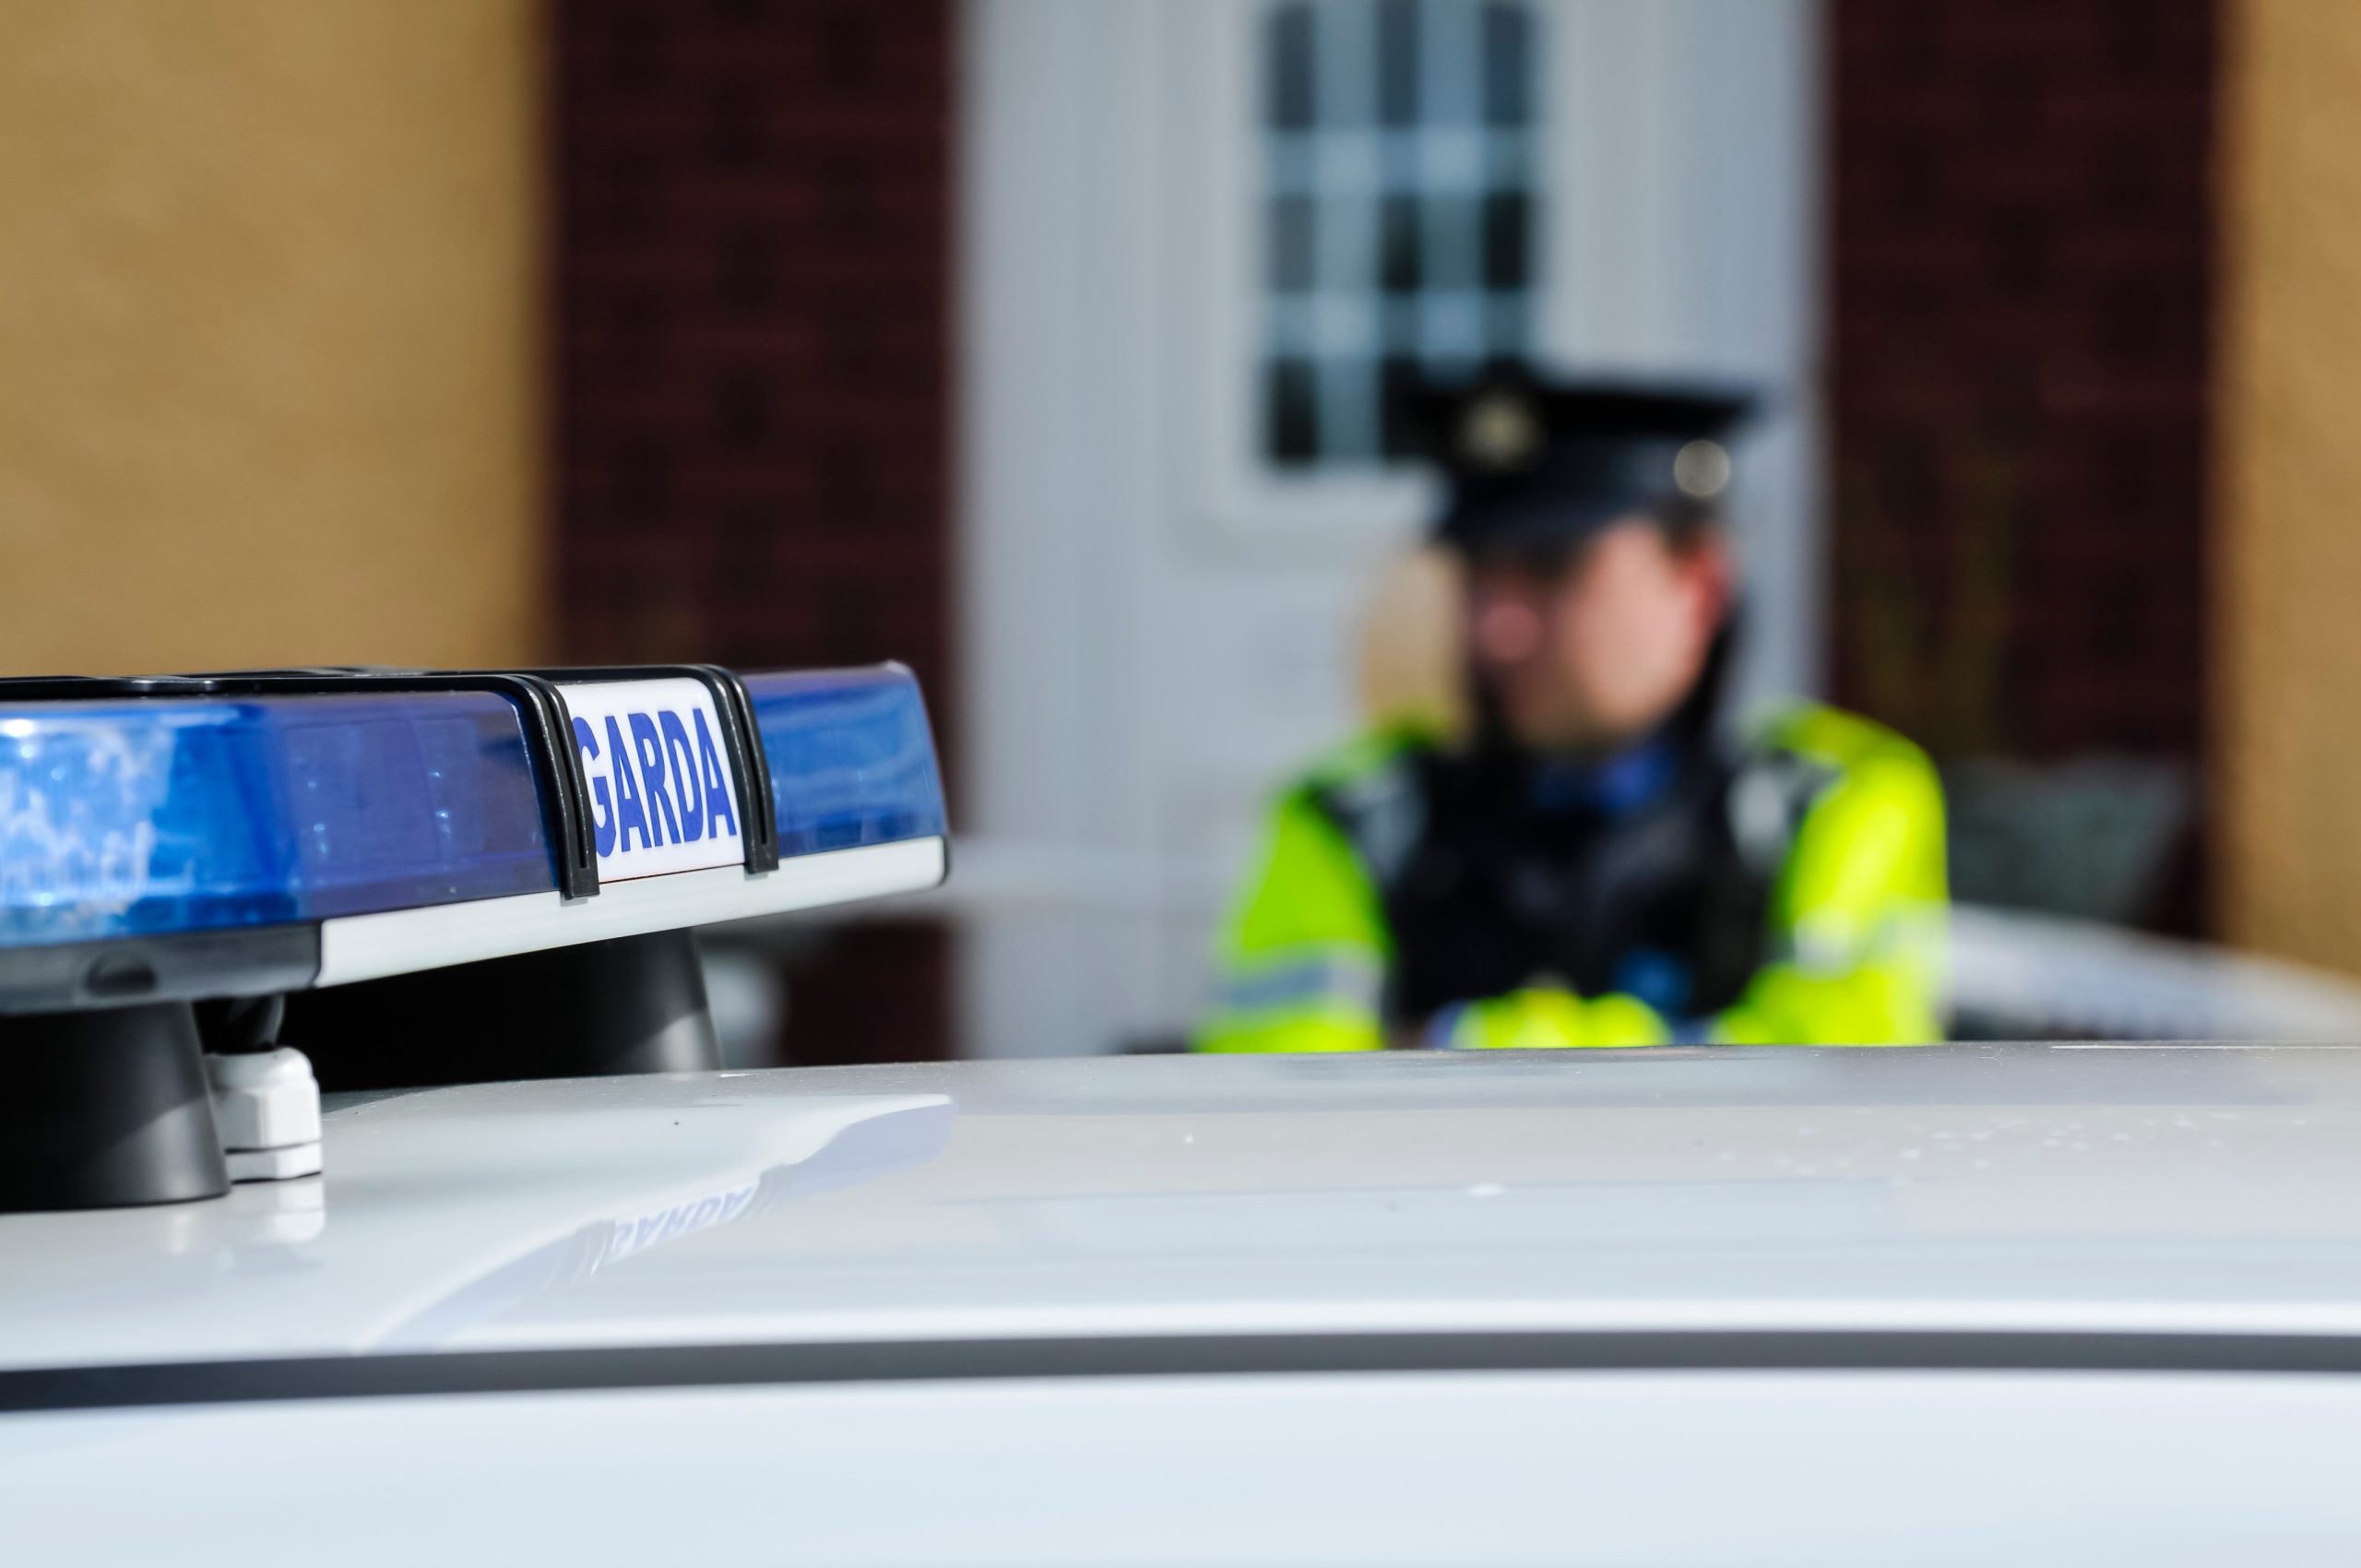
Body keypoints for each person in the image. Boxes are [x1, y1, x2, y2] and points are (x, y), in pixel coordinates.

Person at [1198, 371, 1947, 1051]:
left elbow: (1836, 1077)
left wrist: (1449, 1040)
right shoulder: (1348, 823)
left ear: (1698, 584)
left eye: (1551, 569)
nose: (1498, 627)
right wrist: (1681, 1046)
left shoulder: (1830, 803)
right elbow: (1277, 1096)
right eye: (1478, 575)